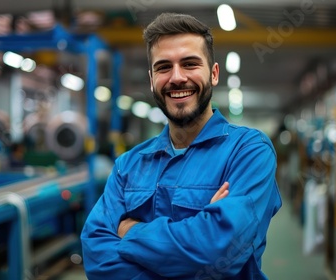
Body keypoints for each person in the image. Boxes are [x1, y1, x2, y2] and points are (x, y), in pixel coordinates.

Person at [80, 13, 282, 279]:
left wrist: (129, 230)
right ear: (152, 80)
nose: (176, 78)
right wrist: (196, 238)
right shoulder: (128, 165)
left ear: (213, 74)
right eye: (164, 67)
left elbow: (220, 253)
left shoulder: (248, 151)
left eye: (189, 64)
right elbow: (97, 257)